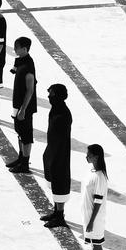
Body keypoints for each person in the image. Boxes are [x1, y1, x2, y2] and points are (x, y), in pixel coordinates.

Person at [40, 84, 72, 227]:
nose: (49, 97)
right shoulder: (56, 109)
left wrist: (53, 155)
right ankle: (56, 211)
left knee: (59, 183)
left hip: (59, 154)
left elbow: (60, 139)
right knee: (55, 183)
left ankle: (60, 215)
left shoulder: (63, 114)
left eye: (51, 94)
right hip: (53, 151)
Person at [6, 37, 37, 175]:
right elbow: (13, 70)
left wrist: (23, 109)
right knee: (19, 132)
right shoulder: (20, 60)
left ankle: (25, 163)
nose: (14, 49)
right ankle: (20, 158)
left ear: (24, 49)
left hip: (25, 107)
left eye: (17, 47)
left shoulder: (29, 66)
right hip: (17, 103)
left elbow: (30, 90)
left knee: (26, 135)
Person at [80, 144, 108, 250]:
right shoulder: (93, 172)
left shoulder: (100, 177)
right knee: (93, 244)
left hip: (95, 218)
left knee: (97, 245)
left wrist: (91, 221)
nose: (86, 156)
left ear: (96, 157)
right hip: (89, 216)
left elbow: (98, 201)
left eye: (89, 155)